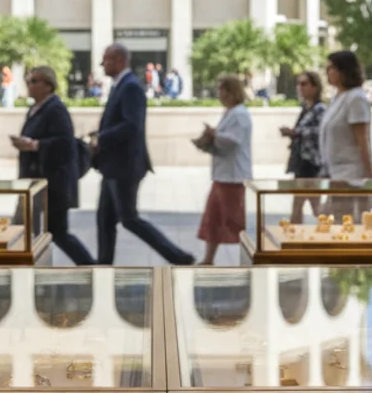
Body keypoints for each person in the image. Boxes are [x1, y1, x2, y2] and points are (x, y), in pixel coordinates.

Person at [92, 43, 195, 265]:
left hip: (124, 167)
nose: (102, 65)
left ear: (119, 61)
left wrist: (102, 138)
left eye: (106, 60)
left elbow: (132, 126)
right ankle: (103, 264)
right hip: (113, 166)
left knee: (129, 219)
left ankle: (178, 257)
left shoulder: (130, 87)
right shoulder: (121, 86)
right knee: (105, 219)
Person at [11, 66, 95, 265]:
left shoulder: (56, 109)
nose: (29, 86)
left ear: (48, 85)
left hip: (53, 182)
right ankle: (21, 267)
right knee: (22, 226)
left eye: (34, 81)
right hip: (35, 181)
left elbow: (65, 143)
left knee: (57, 232)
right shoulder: (35, 109)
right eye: (28, 81)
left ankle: (91, 266)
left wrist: (35, 145)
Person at [193, 75, 253, 265]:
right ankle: (208, 258)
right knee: (214, 217)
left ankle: (246, 257)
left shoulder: (240, 114)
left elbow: (233, 141)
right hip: (223, 175)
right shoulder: (229, 113)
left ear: (230, 91)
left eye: (221, 89)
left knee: (233, 221)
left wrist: (215, 135)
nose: (219, 94)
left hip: (234, 177)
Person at [319, 50, 372, 218]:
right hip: (335, 172)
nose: (328, 72)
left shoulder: (356, 98)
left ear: (344, 70)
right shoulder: (337, 98)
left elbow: (362, 140)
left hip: (352, 174)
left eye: (332, 68)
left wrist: (368, 175)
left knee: (349, 221)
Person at [280, 71, 325, 223]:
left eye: (304, 84)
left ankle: (328, 231)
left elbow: (321, 131)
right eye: (298, 84)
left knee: (311, 205)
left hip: (311, 163)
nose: (300, 88)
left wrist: (296, 133)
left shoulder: (319, 109)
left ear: (315, 86)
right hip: (302, 161)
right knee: (301, 204)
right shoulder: (306, 108)